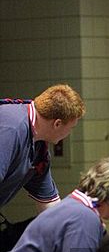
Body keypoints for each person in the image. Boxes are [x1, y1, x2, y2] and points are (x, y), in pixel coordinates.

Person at [0, 84, 85, 212]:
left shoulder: (38, 147)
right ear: (57, 124)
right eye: (71, 128)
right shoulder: (11, 128)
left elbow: (50, 206)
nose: (69, 133)